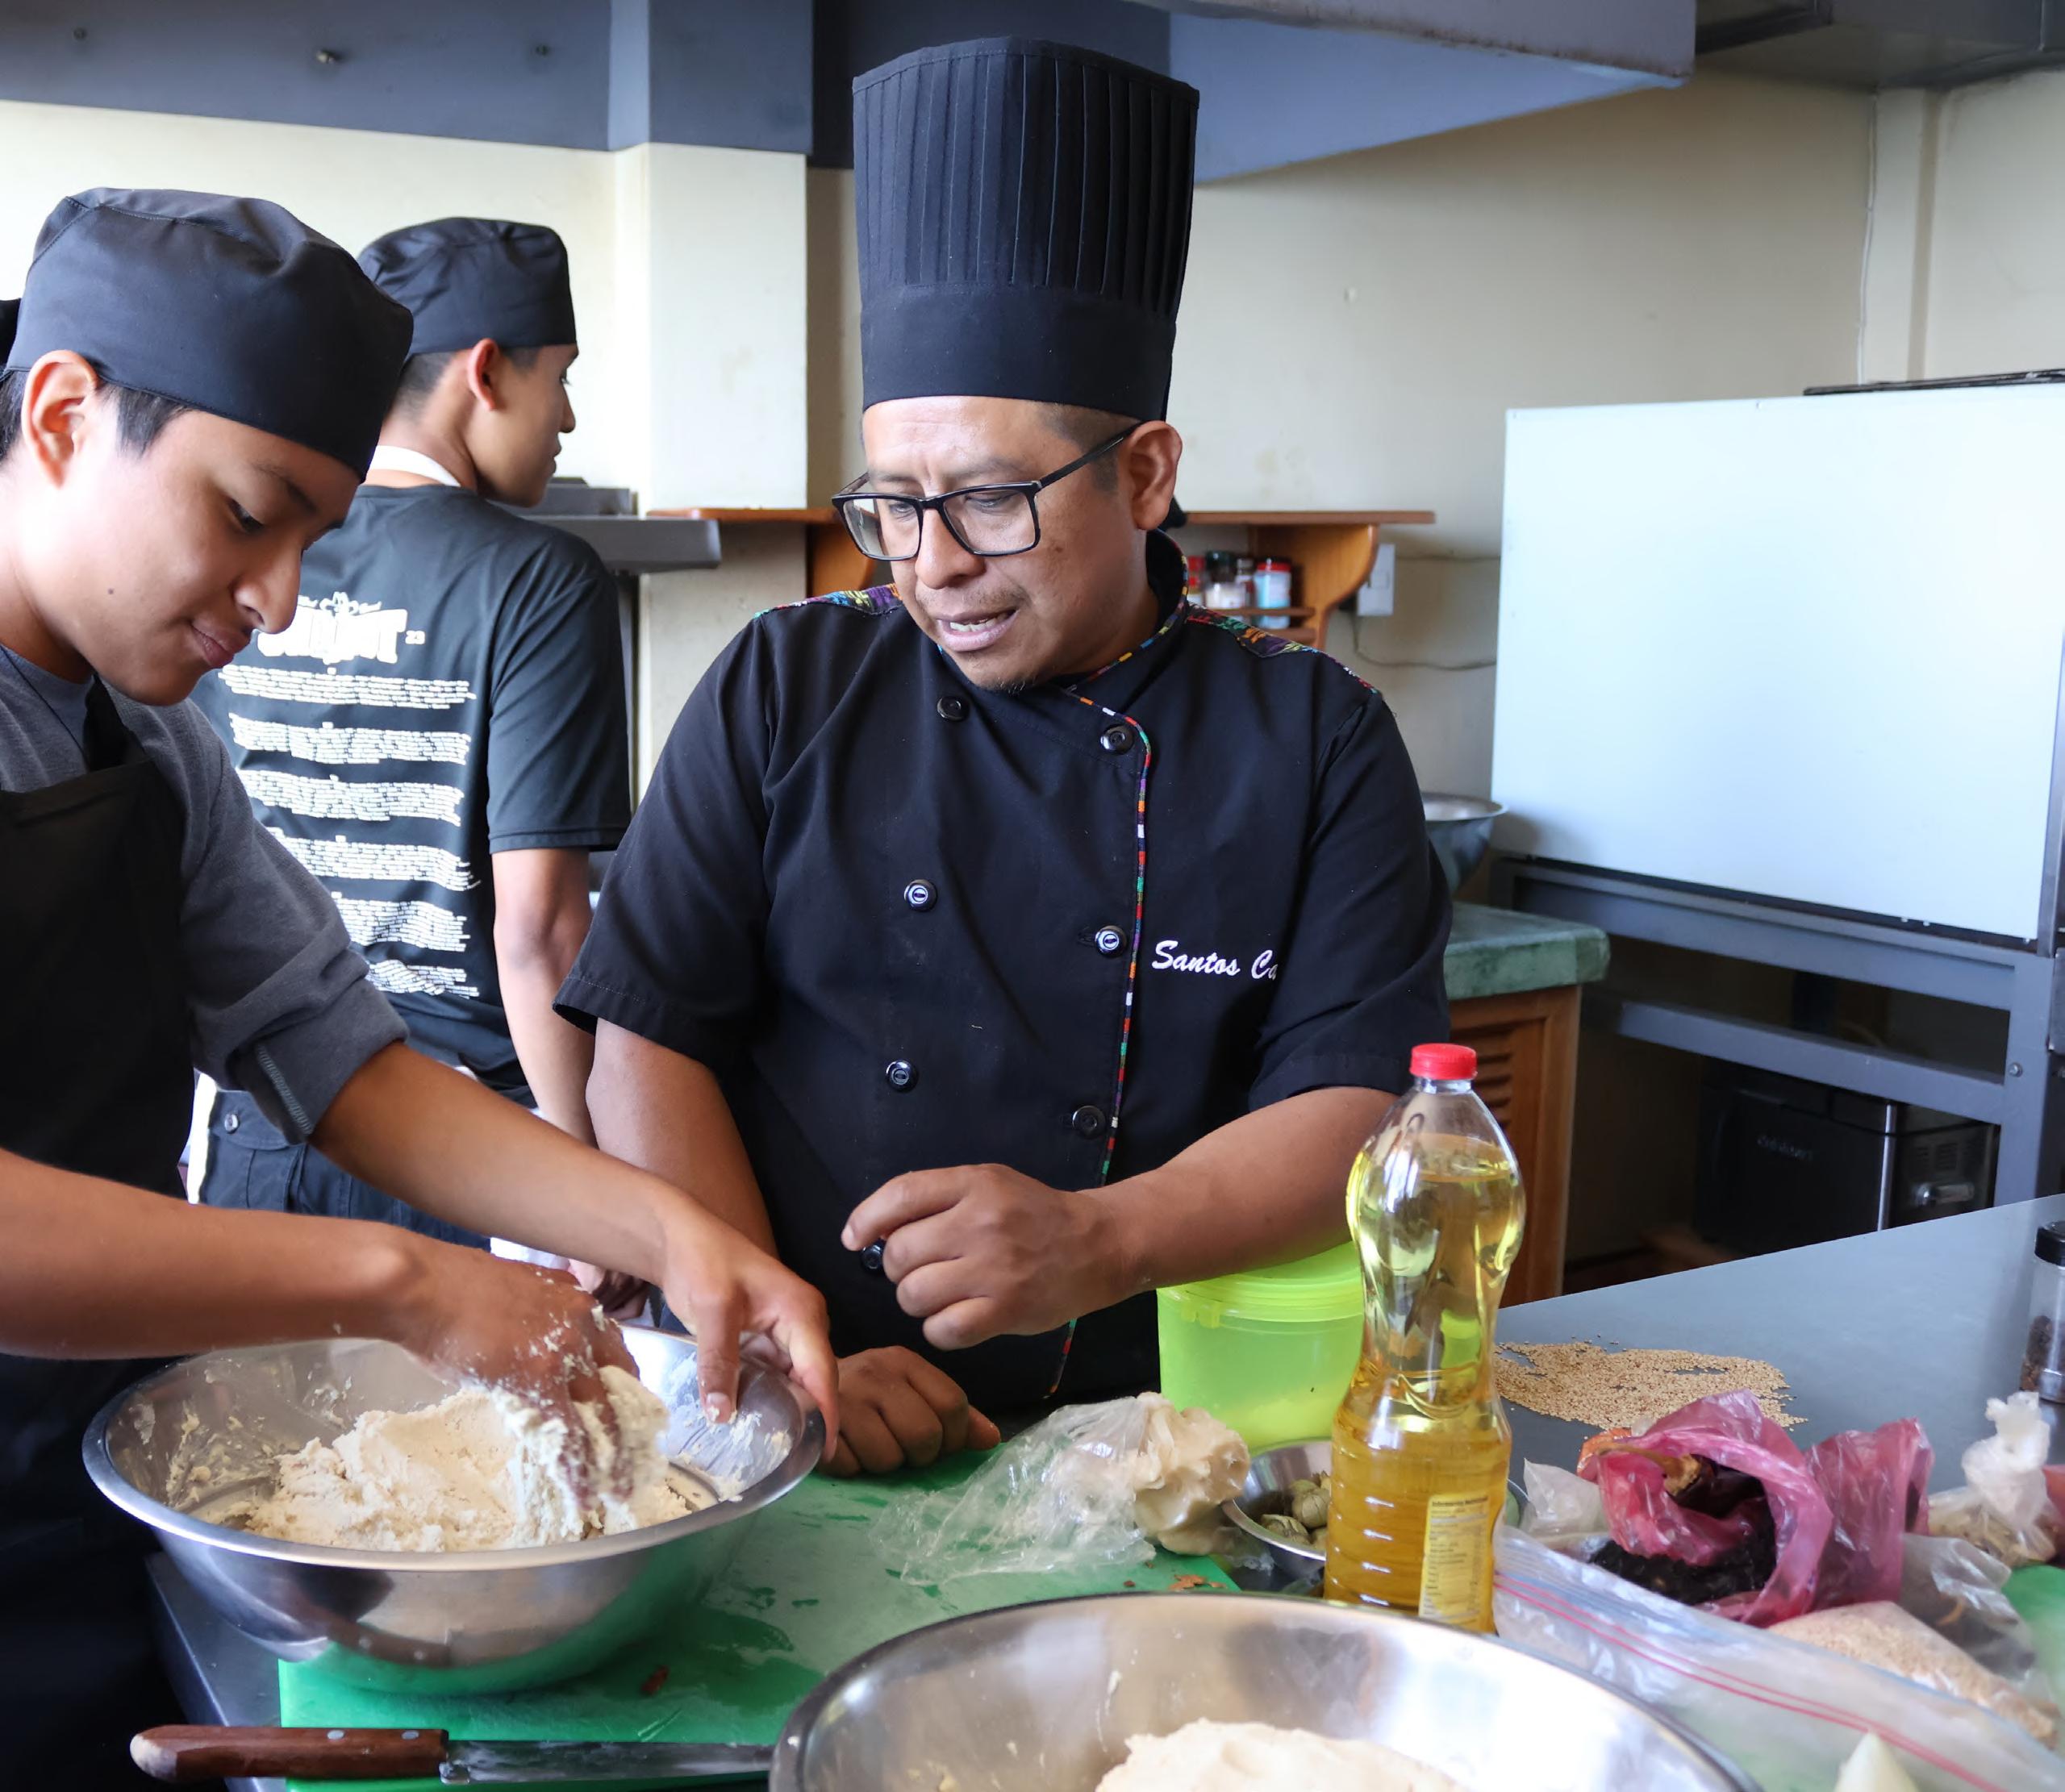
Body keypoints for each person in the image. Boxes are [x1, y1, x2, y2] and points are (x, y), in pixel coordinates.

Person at [0, 188, 834, 1787]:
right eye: (247, 514)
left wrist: (670, 1230)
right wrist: (409, 1283)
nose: (278, 601)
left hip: (69, 1494)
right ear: (63, 415)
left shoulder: (154, 746)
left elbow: (344, 1063)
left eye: (309, 540)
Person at [557, 39, 1449, 1477]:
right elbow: (649, 1042)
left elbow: (1351, 1101)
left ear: (1146, 473)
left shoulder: (1314, 734)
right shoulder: (786, 687)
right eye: (893, 506)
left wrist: (1102, 1236)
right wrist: (785, 1356)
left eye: (988, 499)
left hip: (1166, 1444)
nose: (934, 563)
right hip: (808, 1427)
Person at [192, 218, 628, 1264]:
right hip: (466, 1150)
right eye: (560, 378)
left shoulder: (253, 548)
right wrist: (591, 1197)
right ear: (486, 371)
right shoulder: (540, 581)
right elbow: (540, 930)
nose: (568, 417)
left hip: (259, 1131)